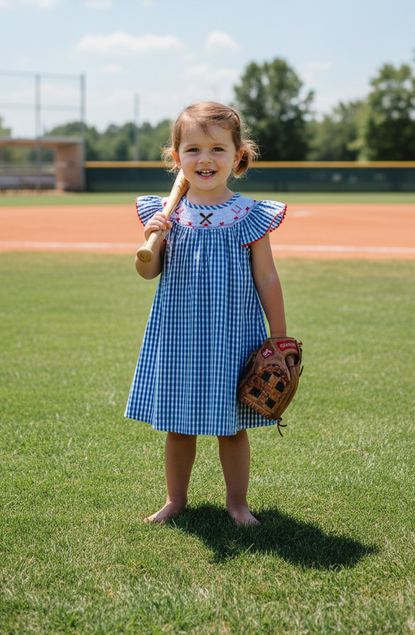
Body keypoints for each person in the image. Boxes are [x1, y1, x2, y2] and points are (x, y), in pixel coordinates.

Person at [125, 101, 290, 525]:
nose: (205, 158)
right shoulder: (167, 213)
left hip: (232, 335)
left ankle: (237, 504)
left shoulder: (249, 214)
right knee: (178, 425)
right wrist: (151, 239)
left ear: (237, 156)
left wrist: (279, 336)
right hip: (179, 334)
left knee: (230, 427)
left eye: (218, 149)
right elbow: (148, 271)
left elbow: (267, 277)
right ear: (176, 157)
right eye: (193, 149)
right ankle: (175, 500)